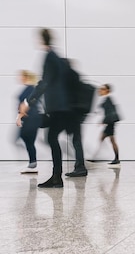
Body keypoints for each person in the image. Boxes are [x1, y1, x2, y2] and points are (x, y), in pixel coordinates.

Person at [18, 28, 86, 188]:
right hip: (66, 108)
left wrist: (28, 103)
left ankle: (57, 177)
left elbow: (44, 83)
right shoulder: (57, 58)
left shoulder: (49, 57)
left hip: (59, 108)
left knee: (51, 138)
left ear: (42, 40)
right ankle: (58, 176)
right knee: (53, 137)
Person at [16, 70, 41, 174]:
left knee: (25, 137)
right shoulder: (29, 88)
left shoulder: (30, 88)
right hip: (29, 118)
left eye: (21, 76)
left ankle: (33, 163)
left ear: (26, 77)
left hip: (31, 117)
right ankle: (32, 163)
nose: (19, 78)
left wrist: (19, 116)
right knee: (28, 140)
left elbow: (26, 104)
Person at [89, 84, 121, 165]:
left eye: (102, 89)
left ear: (107, 90)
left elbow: (110, 113)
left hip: (110, 123)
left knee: (106, 140)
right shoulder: (106, 99)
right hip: (110, 123)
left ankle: (95, 157)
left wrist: (104, 121)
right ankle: (95, 157)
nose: (100, 90)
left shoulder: (108, 99)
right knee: (107, 140)